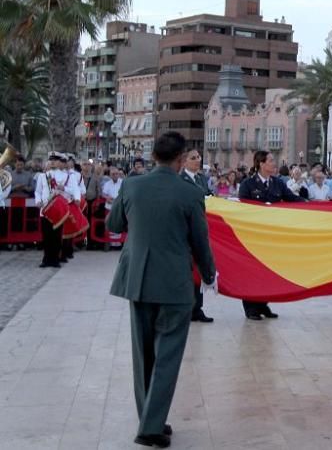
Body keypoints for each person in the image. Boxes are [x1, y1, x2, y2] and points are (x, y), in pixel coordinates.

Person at [108, 131, 216, 448]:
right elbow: (200, 241)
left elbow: (114, 225)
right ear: (181, 159)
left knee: (142, 354)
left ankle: (149, 419)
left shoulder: (131, 184)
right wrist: (209, 274)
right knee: (168, 355)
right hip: (174, 282)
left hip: (137, 278)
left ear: (153, 156)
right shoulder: (189, 193)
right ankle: (151, 425)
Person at [238, 150, 306, 320]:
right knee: (252, 272)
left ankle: (263, 304)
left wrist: (311, 204)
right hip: (253, 235)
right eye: (270, 161)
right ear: (260, 164)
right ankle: (251, 307)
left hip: (271, 236)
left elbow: (291, 198)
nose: (274, 163)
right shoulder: (248, 184)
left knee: (267, 271)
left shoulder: (277, 183)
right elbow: (242, 208)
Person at [180, 149, 214, 323]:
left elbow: (208, 196)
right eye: (193, 158)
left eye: (199, 157)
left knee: (198, 269)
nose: (197, 160)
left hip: (200, 227)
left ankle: (197, 308)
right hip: (187, 230)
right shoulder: (180, 180)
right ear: (184, 161)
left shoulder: (201, 178)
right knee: (188, 272)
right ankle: (187, 308)